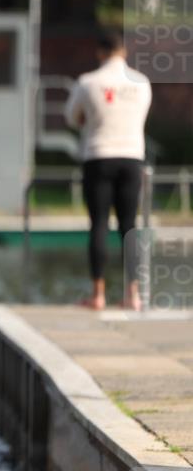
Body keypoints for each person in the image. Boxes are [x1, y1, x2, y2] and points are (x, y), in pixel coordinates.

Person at [65, 29, 152, 311]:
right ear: (124, 52)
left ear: (100, 52)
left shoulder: (88, 82)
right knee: (129, 226)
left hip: (99, 157)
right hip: (131, 157)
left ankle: (98, 295)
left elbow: (72, 117)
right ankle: (133, 295)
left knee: (99, 225)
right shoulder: (141, 83)